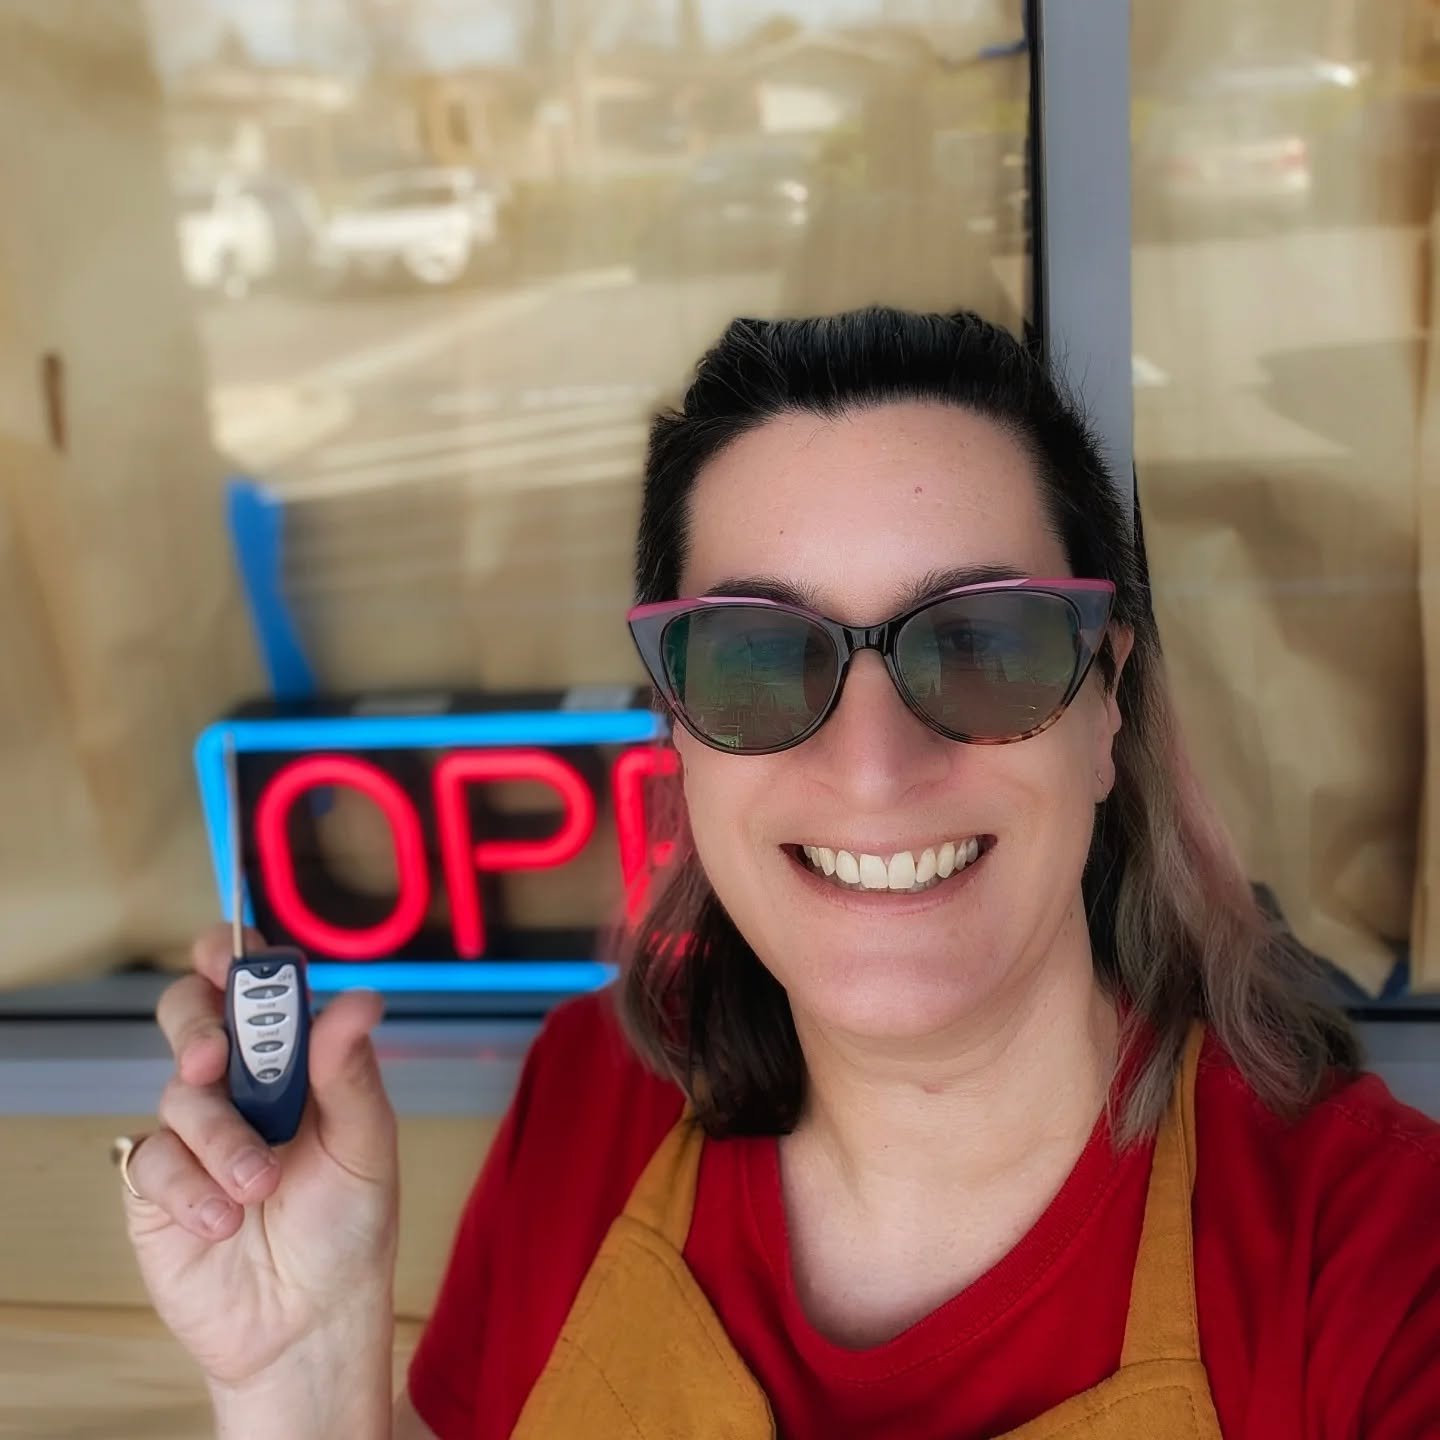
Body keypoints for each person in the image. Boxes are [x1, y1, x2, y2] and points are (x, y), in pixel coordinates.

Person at [115, 308, 1440, 1439]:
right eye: (755, 657)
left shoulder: (1376, 1264)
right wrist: (304, 1384)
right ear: (678, 731)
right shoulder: (595, 1102)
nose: (874, 766)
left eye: (983, 642)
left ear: (1106, 709)